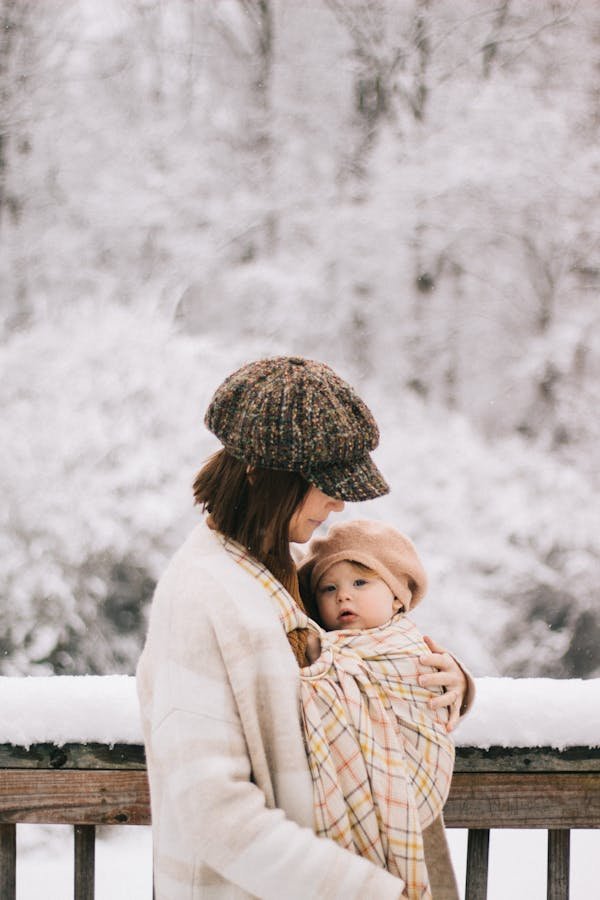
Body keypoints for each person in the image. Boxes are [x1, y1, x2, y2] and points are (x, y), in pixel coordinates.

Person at [136, 356, 471, 900]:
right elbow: (213, 809)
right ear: (263, 475)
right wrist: (369, 891)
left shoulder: (274, 573)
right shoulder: (201, 597)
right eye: (325, 484)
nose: (338, 503)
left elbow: (353, 663)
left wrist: (438, 678)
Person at [296, 519, 458, 899]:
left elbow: (427, 704)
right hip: (344, 803)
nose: (343, 597)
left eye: (360, 583)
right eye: (329, 588)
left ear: (398, 596)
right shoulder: (320, 655)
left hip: (405, 802)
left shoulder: (412, 650)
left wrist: (462, 684)